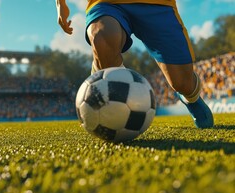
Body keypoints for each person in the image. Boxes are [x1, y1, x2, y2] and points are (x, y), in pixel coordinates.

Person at [55, 0, 214, 128]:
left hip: (158, 4)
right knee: (102, 35)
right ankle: (104, 82)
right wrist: (60, 3)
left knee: (182, 83)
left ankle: (191, 99)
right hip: (107, 3)